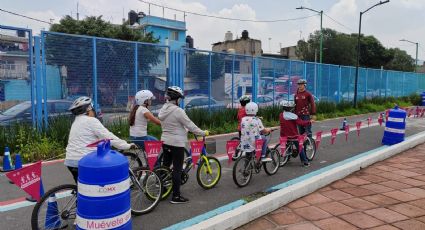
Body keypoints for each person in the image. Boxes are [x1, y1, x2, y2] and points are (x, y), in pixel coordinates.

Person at [65, 96, 135, 183]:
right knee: (102, 182)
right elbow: (108, 137)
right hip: (85, 161)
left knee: (82, 188)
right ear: (89, 109)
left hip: (70, 161)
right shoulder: (91, 121)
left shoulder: (76, 122)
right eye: (93, 108)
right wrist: (126, 145)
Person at [158, 86, 209, 204]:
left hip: (165, 141)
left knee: (165, 165)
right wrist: (202, 132)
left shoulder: (163, 109)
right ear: (176, 98)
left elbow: (174, 124)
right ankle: (176, 196)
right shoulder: (178, 111)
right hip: (176, 143)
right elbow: (190, 124)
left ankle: (163, 188)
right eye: (179, 98)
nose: (180, 100)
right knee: (177, 169)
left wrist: (184, 129)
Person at [279, 100, 312, 167]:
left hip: (283, 135)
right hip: (293, 136)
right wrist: (309, 122)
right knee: (300, 147)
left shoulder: (281, 115)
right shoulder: (294, 116)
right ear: (291, 108)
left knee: (287, 144)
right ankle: (305, 162)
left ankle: (287, 157)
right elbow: (301, 123)